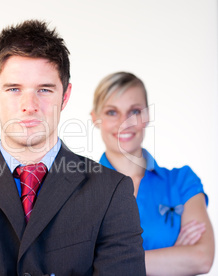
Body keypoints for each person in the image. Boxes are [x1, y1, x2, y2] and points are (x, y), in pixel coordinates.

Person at [0, 20, 145, 275]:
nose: (29, 105)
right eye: (14, 89)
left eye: (45, 89)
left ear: (66, 95)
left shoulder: (111, 191)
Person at [91, 71, 215, 275]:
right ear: (96, 118)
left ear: (147, 116)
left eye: (134, 111)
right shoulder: (79, 190)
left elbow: (201, 259)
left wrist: (110, 262)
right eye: (112, 112)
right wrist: (174, 257)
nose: (124, 122)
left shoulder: (182, 182)